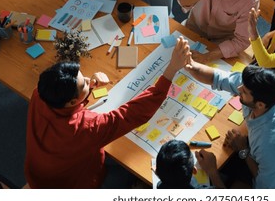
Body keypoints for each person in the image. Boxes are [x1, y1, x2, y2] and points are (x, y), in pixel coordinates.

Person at [24, 37, 190, 189]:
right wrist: (172, 69)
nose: (88, 81)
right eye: (83, 85)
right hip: (69, 186)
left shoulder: (40, 93)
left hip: (37, 175)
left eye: (83, 78)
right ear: (72, 102)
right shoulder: (87, 127)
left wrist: (87, 89)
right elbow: (131, 113)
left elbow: (66, 107)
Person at [185, 60, 275, 189]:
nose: (238, 89)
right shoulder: (265, 90)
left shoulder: (271, 143)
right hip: (267, 153)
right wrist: (192, 66)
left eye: (244, 92)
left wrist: (214, 171)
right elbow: (218, 77)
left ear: (260, 105)